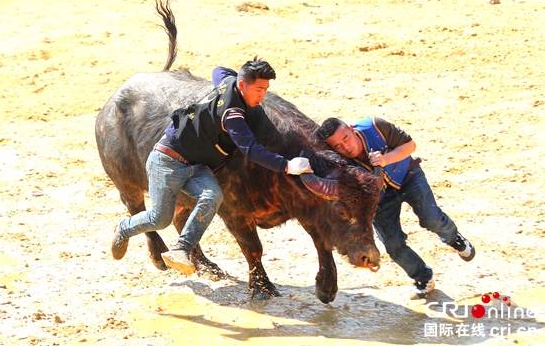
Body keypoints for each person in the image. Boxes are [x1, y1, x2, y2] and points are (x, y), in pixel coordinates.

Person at [111, 57, 313, 275]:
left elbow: (219, 70)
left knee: (213, 196)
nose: (262, 95)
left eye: (266, 89)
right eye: (259, 89)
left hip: (196, 165)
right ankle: (124, 228)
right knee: (160, 219)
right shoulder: (233, 115)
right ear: (243, 85)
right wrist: (287, 166)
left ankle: (181, 248)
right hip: (167, 161)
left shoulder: (228, 82)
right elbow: (252, 150)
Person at [316, 117, 475, 299]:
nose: (345, 147)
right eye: (337, 146)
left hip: (409, 175)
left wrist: (385, 159)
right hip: (379, 199)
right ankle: (423, 277)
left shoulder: (374, 126)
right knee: (393, 245)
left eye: (346, 138)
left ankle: (454, 238)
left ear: (351, 129)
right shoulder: (337, 163)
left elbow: (410, 146)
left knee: (431, 218)